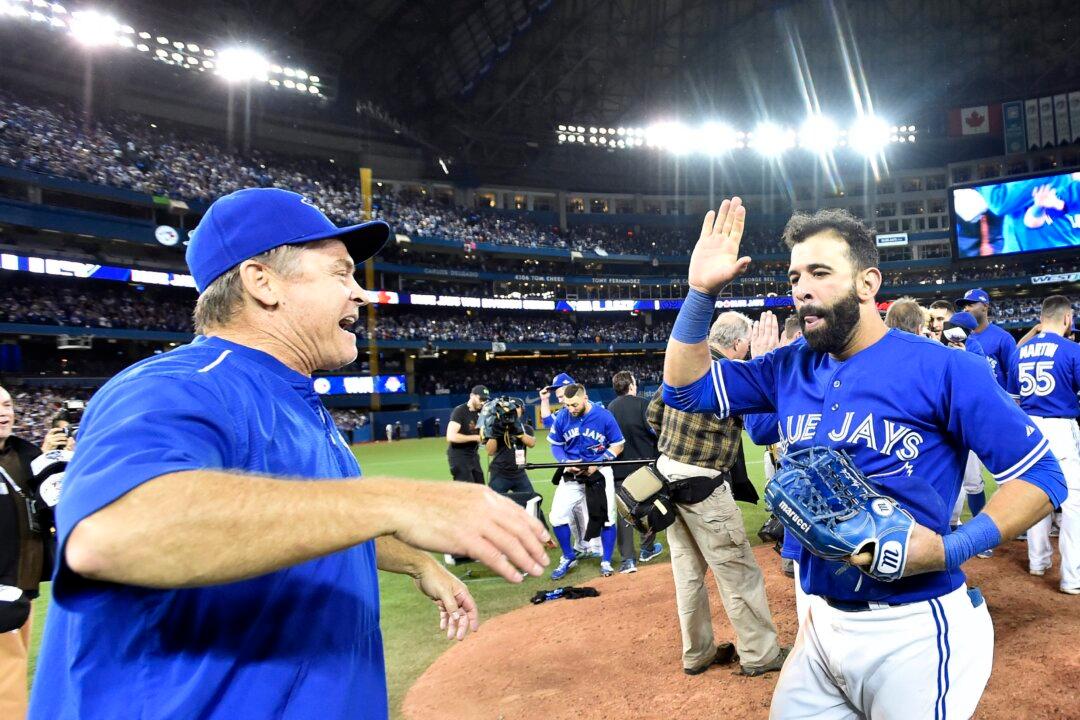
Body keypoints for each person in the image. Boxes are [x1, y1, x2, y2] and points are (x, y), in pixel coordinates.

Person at [29, 188, 550, 720]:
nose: (361, 294)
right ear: (263, 282)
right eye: (340, 273)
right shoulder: (179, 385)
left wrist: (417, 563)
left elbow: (307, 523)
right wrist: (400, 500)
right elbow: (113, 534)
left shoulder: (296, 402)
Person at [663, 198, 1065, 719]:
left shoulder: (945, 368)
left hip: (914, 627)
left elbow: (1043, 476)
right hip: (820, 619)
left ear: (867, 283)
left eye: (820, 272)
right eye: (794, 277)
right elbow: (685, 390)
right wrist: (700, 293)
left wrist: (952, 548)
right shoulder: (787, 366)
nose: (801, 288)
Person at [648, 312, 785, 677]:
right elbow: (761, 428)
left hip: (666, 477)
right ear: (738, 343)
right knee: (739, 573)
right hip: (704, 484)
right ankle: (760, 654)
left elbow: (653, 414)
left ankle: (697, 654)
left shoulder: (685, 360)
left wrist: (679, 442)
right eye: (747, 346)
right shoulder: (731, 372)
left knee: (688, 575)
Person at [0, 386, 67, 719]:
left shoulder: (23, 456)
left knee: (15, 669)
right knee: (6, 685)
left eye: (7, 405)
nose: (3, 413)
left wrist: (53, 461)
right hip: (2, 587)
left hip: (23, 585)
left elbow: (50, 507)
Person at [1007, 295, 1080, 592]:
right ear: (1067, 318)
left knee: (1038, 496)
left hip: (1029, 429)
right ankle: (1072, 577)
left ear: (1040, 319)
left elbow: (1013, 401)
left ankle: (1038, 562)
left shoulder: (1019, 353)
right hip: (1061, 427)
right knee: (1073, 504)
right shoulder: (1072, 350)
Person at [547, 384, 624, 579]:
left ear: (585, 398)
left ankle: (606, 561)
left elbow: (618, 445)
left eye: (574, 405)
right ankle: (568, 556)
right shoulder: (563, 416)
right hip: (572, 475)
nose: (570, 409)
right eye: (567, 405)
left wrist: (598, 462)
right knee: (556, 517)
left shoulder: (604, 416)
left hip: (600, 473)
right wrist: (565, 462)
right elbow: (556, 445)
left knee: (608, 518)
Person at [606, 371, 659, 574]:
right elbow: (655, 431)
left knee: (624, 512)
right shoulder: (642, 404)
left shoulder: (610, 408)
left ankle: (628, 560)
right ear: (631, 386)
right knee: (648, 508)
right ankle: (647, 549)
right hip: (644, 468)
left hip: (619, 468)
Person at [957, 287, 1017, 389]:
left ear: (985, 306)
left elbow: (1014, 374)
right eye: (964, 306)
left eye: (970, 305)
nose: (966, 309)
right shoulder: (962, 338)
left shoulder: (1003, 338)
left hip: (997, 397)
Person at [485, 403, 537, 496]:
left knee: (530, 500)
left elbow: (532, 443)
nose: (513, 410)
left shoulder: (525, 428)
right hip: (499, 473)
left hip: (519, 472)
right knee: (493, 502)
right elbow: (490, 452)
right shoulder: (497, 426)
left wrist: (519, 432)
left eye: (516, 407)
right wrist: (494, 434)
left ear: (522, 410)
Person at [446, 385, 489, 485]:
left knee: (480, 486)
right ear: (472, 396)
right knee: (467, 488)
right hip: (458, 455)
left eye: (485, 400)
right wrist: (476, 438)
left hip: (473, 455)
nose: (483, 402)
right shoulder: (460, 411)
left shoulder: (482, 413)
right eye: (481, 399)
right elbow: (451, 436)